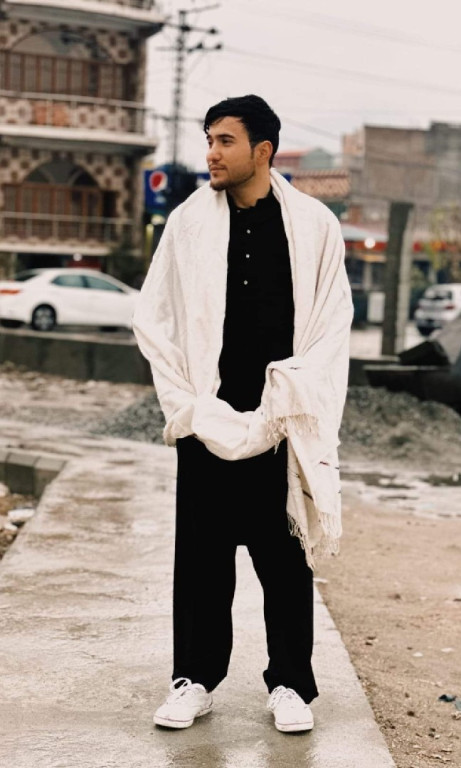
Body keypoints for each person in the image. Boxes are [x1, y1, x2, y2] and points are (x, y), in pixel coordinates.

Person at [133, 94, 353, 733]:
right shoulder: (187, 223)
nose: (211, 153)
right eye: (209, 139)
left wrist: (289, 400)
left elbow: (332, 324)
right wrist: (187, 406)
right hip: (205, 420)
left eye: (224, 141)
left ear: (263, 150)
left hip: (280, 425)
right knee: (201, 564)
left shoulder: (313, 226)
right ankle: (194, 680)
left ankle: (290, 685)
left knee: (285, 564)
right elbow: (155, 318)